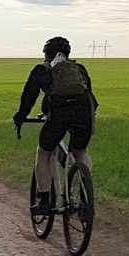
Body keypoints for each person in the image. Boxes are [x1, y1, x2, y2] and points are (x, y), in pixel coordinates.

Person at [13, 36, 96, 217]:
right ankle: (85, 195)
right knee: (81, 153)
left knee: (44, 152)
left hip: (59, 114)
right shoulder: (79, 69)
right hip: (85, 113)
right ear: (68, 53)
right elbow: (88, 92)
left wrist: (20, 117)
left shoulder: (42, 70)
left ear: (46, 54)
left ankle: (44, 202)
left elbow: (29, 97)